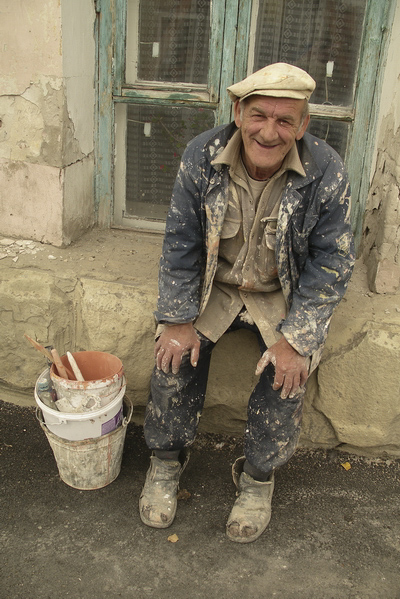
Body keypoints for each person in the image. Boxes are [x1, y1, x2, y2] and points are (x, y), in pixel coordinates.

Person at [139, 63, 355, 543]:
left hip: (280, 293)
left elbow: (332, 263)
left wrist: (298, 339)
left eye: (285, 121)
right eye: (259, 115)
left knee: (287, 376)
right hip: (217, 286)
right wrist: (176, 319)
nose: (269, 131)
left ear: (302, 126)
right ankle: (166, 461)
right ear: (238, 112)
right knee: (173, 358)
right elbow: (180, 243)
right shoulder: (203, 155)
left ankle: (258, 478)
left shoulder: (326, 171)